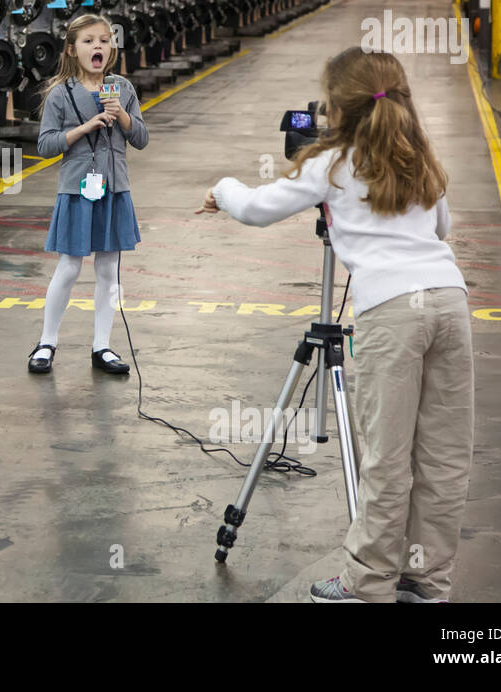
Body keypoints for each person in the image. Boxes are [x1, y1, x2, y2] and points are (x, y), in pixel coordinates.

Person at [198, 47, 473, 603]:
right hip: (449, 304)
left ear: (337, 108)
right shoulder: (420, 155)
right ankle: (426, 583)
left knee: (386, 460)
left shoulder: (331, 163)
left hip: (391, 313)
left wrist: (222, 189)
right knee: (443, 458)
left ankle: (367, 583)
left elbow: (256, 207)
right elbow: (442, 227)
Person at [29, 13, 149, 375]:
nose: (98, 45)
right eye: (88, 41)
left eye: (104, 40)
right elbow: (46, 144)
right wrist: (84, 128)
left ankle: (102, 345)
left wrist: (122, 117)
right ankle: (46, 342)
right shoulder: (60, 94)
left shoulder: (123, 90)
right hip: (77, 190)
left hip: (114, 188)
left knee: (108, 269)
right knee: (68, 267)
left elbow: (141, 139)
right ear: (72, 49)